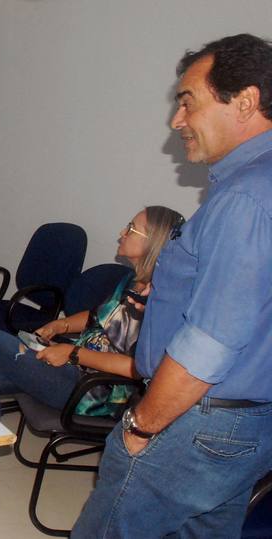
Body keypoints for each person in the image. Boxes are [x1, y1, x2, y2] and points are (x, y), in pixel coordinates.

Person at [73, 34, 272, 538]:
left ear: (245, 101)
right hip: (245, 421)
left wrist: (142, 424)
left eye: (188, 102)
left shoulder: (246, 199)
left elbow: (211, 341)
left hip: (198, 418)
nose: (176, 120)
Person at [0, 206, 183, 493]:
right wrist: (59, 326)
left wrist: (73, 354)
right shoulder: (131, 281)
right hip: (73, 369)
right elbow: (96, 317)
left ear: (154, 241)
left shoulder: (162, 302)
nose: (122, 233)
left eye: (132, 229)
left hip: (92, 392)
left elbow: (138, 367)